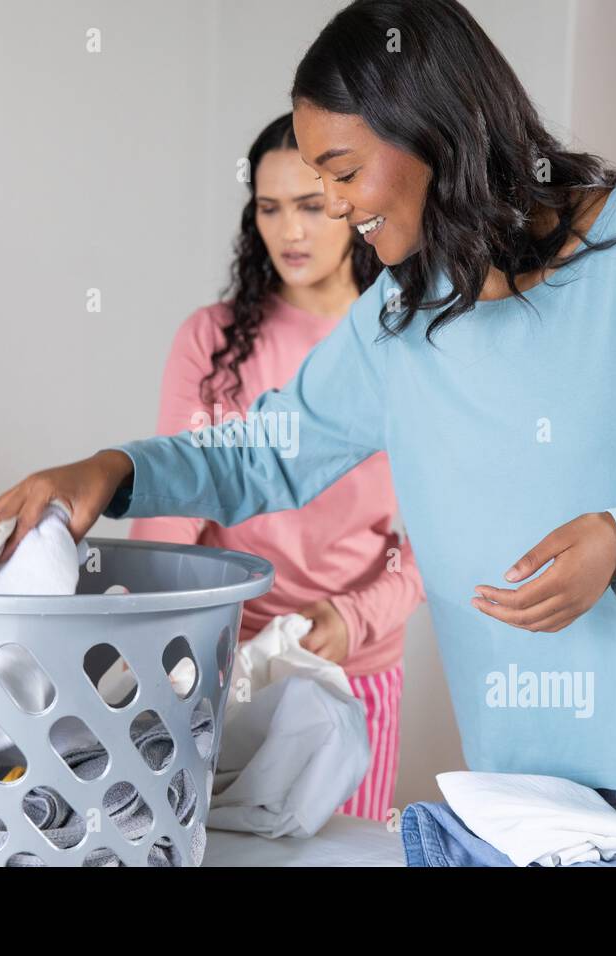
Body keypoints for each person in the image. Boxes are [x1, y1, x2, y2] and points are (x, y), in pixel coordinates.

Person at [0, 0, 616, 865]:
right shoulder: (400, 313)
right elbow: (267, 453)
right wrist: (115, 470)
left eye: (342, 173)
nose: (334, 208)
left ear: (431, 128)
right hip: (549, 786)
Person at [127, 113, 424, 821]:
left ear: (351, 205)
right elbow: (173, 512)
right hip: (218, 661)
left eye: (313, 206)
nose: (290, 231)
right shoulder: (213, 339)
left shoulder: (409, 336)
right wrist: (149, 650)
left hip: (354, 659)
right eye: (270, 207)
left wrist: (355, 618)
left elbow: (447, 532)